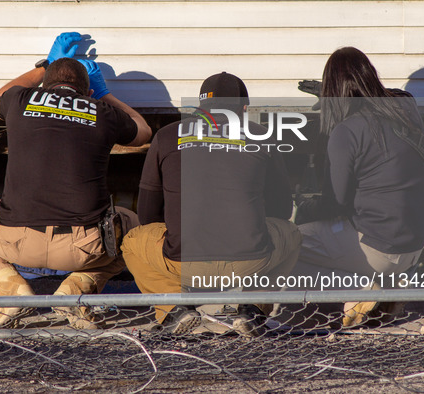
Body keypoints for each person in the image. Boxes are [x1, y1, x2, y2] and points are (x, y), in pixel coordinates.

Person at [0, 32, 152, 329]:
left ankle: (10, 287)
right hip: (83, 248)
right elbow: (143, 132)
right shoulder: (103, 111)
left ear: (44, 85)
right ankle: (77, 289)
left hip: (15, 242)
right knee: (132, 226)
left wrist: (46, 64)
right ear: (88, 92)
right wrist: (104, 94)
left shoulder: (20, 100)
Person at [121, 72, 302, 336]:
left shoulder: (167, 135)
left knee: (132, 241)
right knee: (292, 234)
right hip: (248, 262)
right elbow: (282, 210)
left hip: (183, 263)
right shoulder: (262, 135)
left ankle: (174, 310)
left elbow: (148, 214)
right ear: (243, 108)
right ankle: (252, 310)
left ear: (200, 106)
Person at [292, 47, 424, 326]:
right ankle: (389, 289)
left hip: (378, 251)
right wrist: (344, 92)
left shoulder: (346, 131)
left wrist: (305, 208)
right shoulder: (408, 111)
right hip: (414, 247)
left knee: (286, 246)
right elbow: (395, 94)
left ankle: (359, 288)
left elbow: (336, 203)